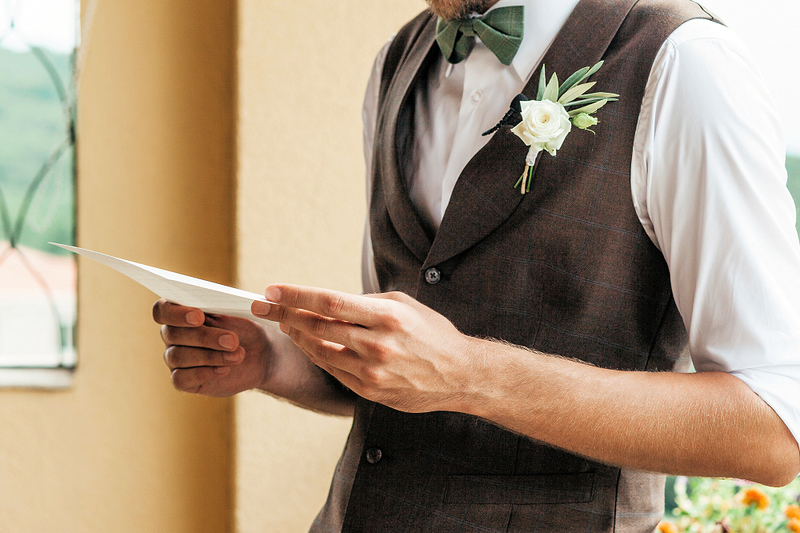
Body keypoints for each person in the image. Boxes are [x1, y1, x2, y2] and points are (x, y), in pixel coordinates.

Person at [154, 0, 800, 530]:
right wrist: (273, 360)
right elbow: (403, 373)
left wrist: (473, 372)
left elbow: (772, 427)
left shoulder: (687, 66)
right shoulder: (395, 67)